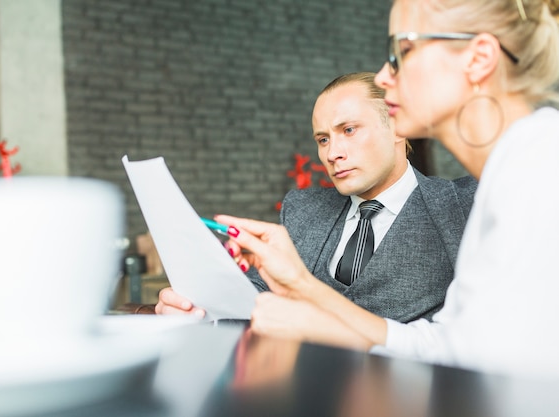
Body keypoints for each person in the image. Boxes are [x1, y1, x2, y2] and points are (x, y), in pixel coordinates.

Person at [217, 0, 559, 378]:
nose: (382, 76)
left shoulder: (542, 171)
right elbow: (446, 348)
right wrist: (302, 286)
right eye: (323, 139)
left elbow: (523, 382)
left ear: (478, 59)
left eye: (403, 51)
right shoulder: (509, 177)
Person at [156, 72, 477, 325]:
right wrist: (200, 305)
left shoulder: (460, 206)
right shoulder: (302, 209)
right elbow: (257, 295)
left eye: (349, 130)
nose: (332, 153)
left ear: (397, 127)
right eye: (323, 139)